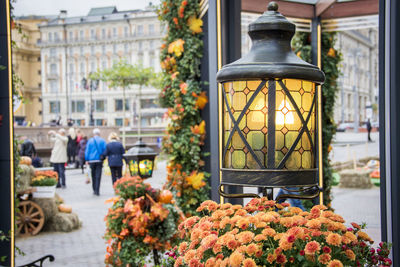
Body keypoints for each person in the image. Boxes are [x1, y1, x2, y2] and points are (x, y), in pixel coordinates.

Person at [85, 128, 106, 196]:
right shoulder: (102, 141)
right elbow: (105, 150)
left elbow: (87, 151)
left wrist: (87, 159)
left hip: (91, 160)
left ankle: (94, 189)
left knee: (93, 175)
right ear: (99, 134)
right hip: (99, 160)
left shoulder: (90, 141)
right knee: (98, 175)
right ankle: (97, 190)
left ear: (94, 134)